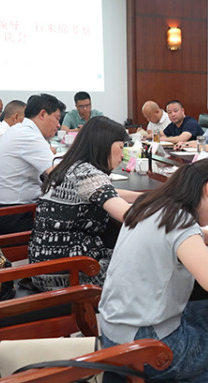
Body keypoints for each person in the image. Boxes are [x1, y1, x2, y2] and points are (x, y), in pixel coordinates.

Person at [98, 159, 208, 382]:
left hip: (113, 337)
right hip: (149, 347)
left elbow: (174, 235)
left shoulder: (150, 205)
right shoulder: (180, 220)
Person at [28, 116, 142, 291]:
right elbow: (130, 216)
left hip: (44, 267)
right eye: (121, 147)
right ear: (105, 145)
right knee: (147, 264)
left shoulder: (70, 166)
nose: (122, 154)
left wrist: (141, 197)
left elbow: (102, 192)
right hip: (71, 273)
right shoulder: (88, 174)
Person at [0, 94, 65, 234]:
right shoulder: (29, 136)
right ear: (42, 114)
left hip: (3, 212)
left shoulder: (20, 129)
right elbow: (58, 174)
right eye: (57, 118)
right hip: (13, 216)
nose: (58, 125)